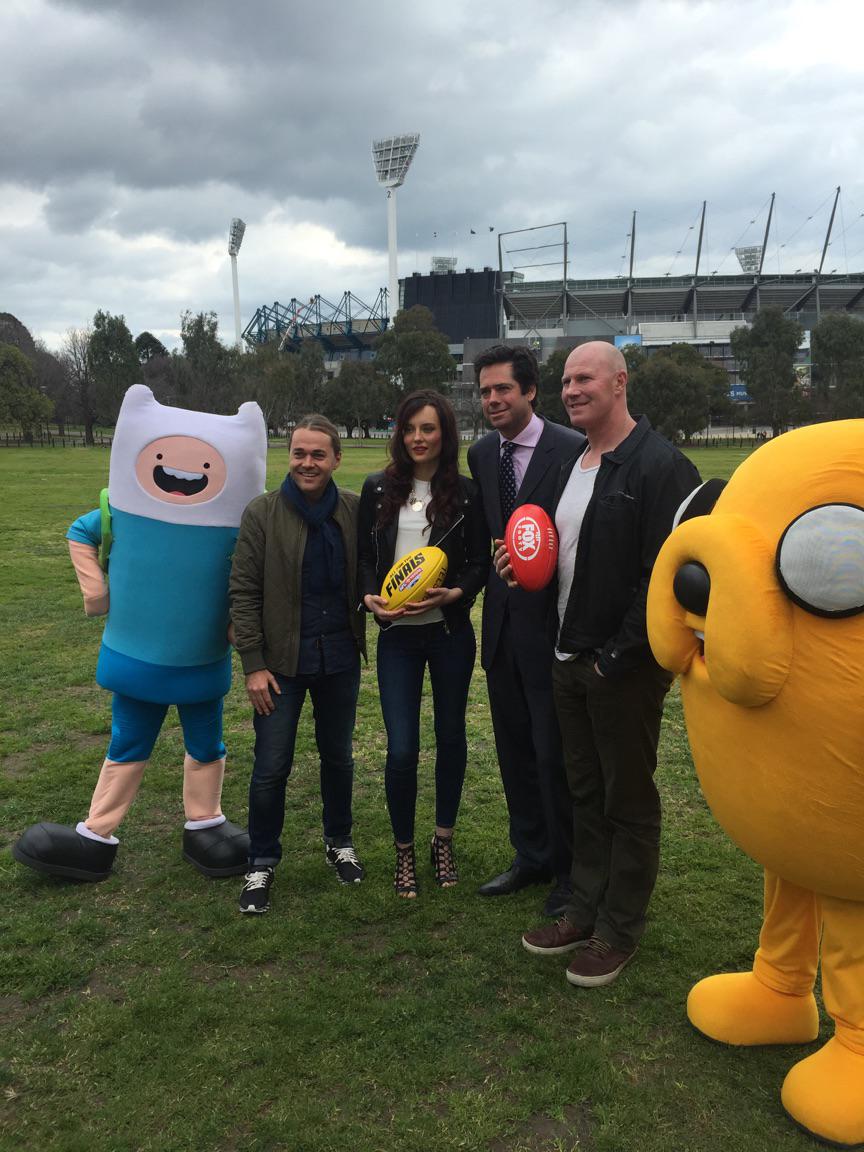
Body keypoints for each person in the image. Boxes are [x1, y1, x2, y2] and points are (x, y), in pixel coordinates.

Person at [515, 341, 701, 985]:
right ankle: (582, 908)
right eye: (564, 380)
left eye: (583, 378)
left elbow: (664, 574)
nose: (570, 389)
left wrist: (614, 659)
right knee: (584, 792)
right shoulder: (576, 459)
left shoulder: (659, 465)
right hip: (568, 655)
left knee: (627, 799)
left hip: (618, 666)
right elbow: (562, 550)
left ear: (620, 382)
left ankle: (619, 929)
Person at [229, 415, 367, 914]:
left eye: (318, 454)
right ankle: (261, 860)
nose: (307, 463)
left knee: (339, 759)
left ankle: (339, 841)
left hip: (338, 658)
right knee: (270, 768)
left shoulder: (353, 510)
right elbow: (242, 593)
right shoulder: (262, 513)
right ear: (289, 456)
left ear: (336, 459)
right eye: (299, 453)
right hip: (280, 667)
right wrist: (252, 665)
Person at [467, 345, 584, 917]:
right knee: (514, 750)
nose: (492, 400)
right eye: (485, 391)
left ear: (530, 391)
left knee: (552, 753)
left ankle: (568, 872)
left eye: (502, 390)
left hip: (554, 627)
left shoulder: (571, 448)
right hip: (502, 627)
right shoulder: (482, 453)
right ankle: (530, 856)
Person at [358, 390, 489, 897]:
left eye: (428, 429)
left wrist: (457, 591)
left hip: (449, 635)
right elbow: (366, 560)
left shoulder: (467, 495)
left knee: (451, 737)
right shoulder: (376, 490)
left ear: (445, 435)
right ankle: (404, 851)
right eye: (410, 428)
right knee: (402, 749)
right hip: (399, 639)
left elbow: (479, 561)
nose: (418, 438)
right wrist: (371, 596)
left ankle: (443, 839)